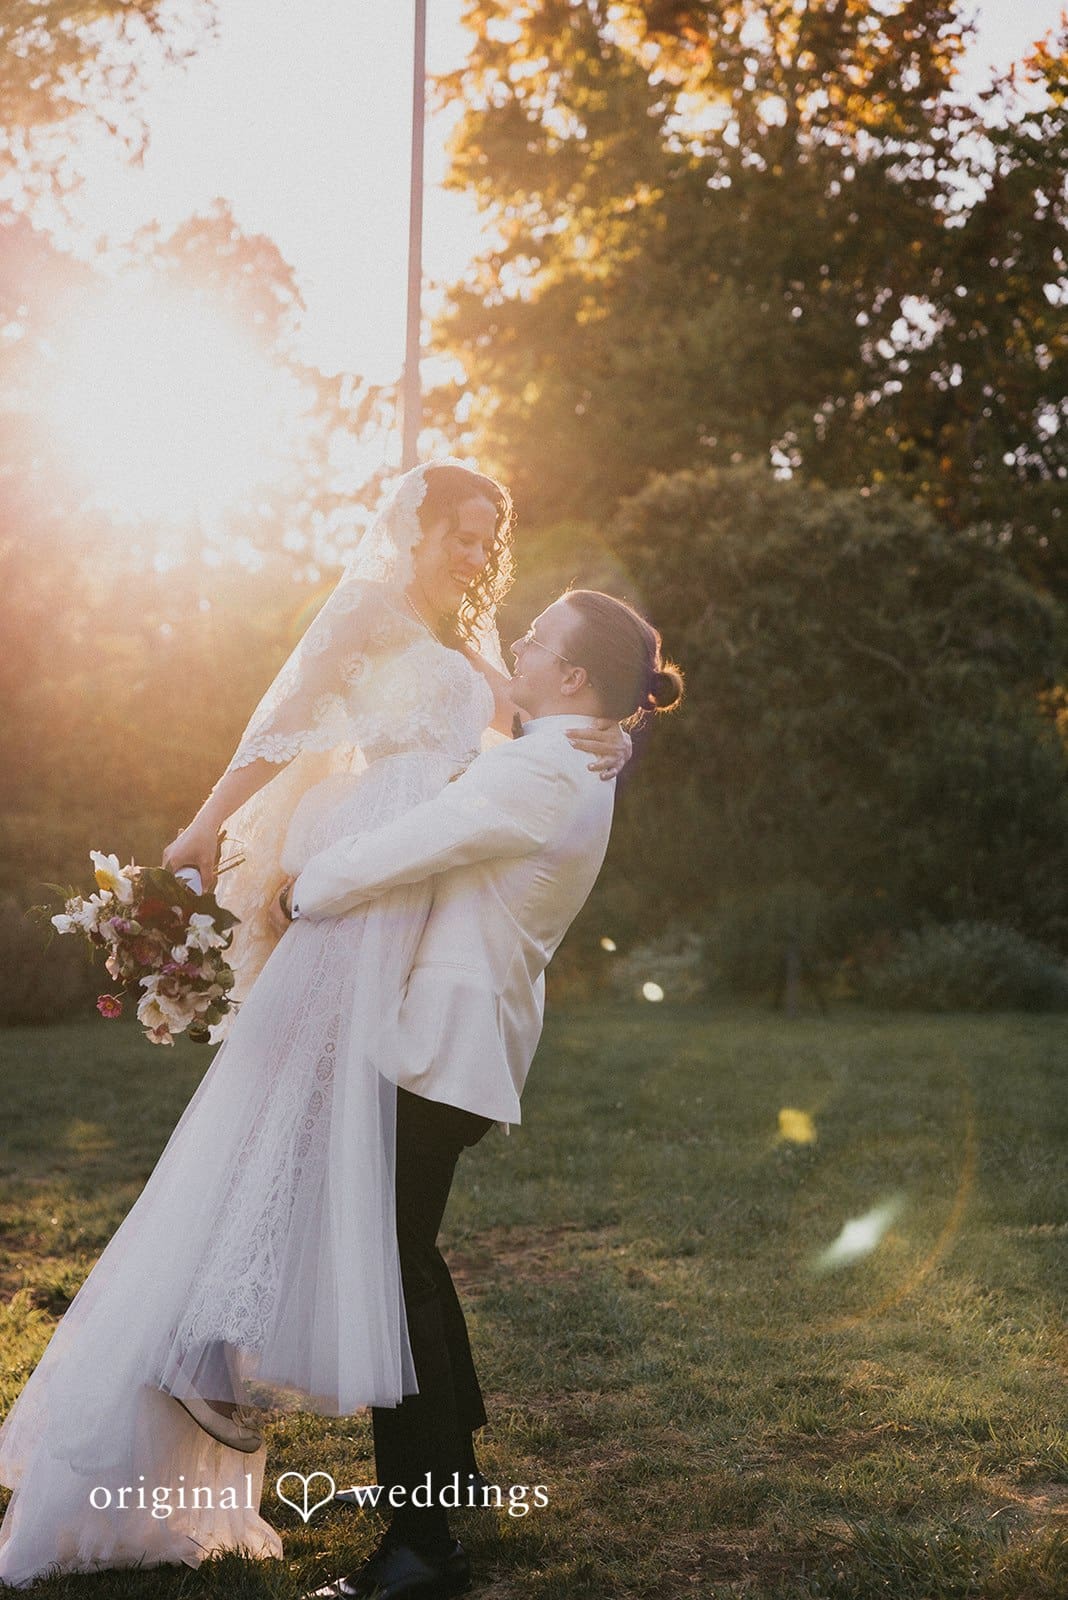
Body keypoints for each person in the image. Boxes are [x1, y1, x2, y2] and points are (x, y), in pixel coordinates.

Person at [0, 462, 630, 1588]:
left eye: (487, 536)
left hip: (393, 915)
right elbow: (282, 718)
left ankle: (416, 1513)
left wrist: (611, 729)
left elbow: (525, 736)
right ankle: (345, 1435)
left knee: (384, 1238)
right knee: (327, 1180)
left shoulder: (497, 681)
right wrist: (209, 825)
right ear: (412, 528)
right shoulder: (373, 612)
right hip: (377, 912)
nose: (477, 554)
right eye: (460, 532)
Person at [287, 590, 684, 1600]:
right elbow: (489, 743)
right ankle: (445, 1484)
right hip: (458, 1048)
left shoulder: (547, 767)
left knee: (394, 1272)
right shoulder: (564, 753)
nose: (519, 644)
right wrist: (620, 728)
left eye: (538, 639)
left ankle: (423, 1546)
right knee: (407, 1256)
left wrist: (298, 889)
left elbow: (408, 844)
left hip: (441, 1051)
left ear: (574, 677)